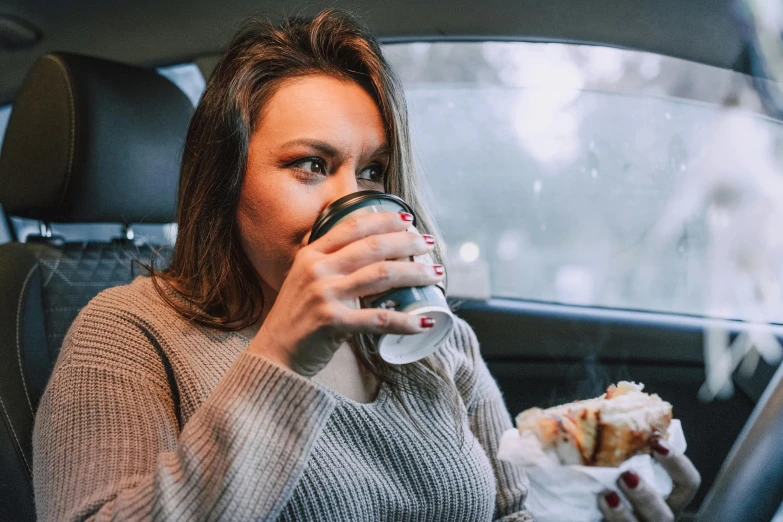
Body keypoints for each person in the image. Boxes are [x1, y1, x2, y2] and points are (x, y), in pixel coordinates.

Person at [32, 8, 700, 522]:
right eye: (311, 166)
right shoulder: (127, 331)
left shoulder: (436, 340)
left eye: (373, 170)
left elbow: (510, 508)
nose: (353, 200)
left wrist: (581, 500)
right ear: (227, 181)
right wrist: (282, 360)